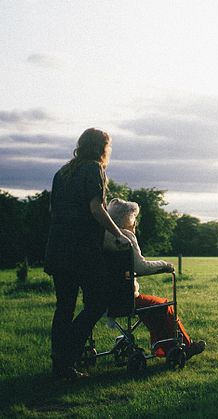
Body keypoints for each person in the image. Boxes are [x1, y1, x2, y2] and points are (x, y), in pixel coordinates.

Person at [45, 128, 131, 380]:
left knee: (64, 307)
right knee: (97, 303)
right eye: (109, 146)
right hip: (81, 251)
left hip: (58, 248)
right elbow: (96, 208)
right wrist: (118, 234)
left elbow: (54, 211)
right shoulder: (94, 169)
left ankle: (60, 364)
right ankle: (67, 357)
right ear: (102, 147)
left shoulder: (62, 172)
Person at [103, 198, 206, 360]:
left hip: (104, 298)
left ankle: (166, 348)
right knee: (163, 305)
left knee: (153, 308)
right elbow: (141, 267)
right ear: (126, 218)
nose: (135, 222)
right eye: (133, 217)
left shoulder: (103, 236)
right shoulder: (125, 236)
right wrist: (165, 265)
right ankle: (184, 346)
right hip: (125, 298)